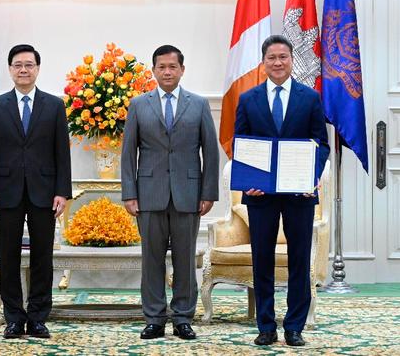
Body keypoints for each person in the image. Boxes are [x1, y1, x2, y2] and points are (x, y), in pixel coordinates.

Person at [234, 34, 329, 347]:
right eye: (272, 58)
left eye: (283, 57)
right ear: (263, 63)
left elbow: (321, 144)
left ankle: (294, 327)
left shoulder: (310, 98)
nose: (277, 62)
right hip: (260, 195)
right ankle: (265, 326)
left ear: (292, 60)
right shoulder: (248, 99)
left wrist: (310, 177)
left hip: (299, 194)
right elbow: (241, 144)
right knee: (262, 259)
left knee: (299, 260)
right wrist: (249, 180)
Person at [121, 45, 219, 340]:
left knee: (185, 260)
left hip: (188, 194)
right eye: (161, 67)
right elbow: (129, 153)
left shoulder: (199, 104)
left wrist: (209, 192)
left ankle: (182, 318)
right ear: (153, 71)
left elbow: (210, 153)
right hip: (149, 194)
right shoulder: (139, 105)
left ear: (182, 70)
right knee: (151, 260)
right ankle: (154, 318)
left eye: (172, 67)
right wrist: (129, 193)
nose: (167, 72)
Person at [0, 44, 72, 339]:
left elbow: (62, 153)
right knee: (8, 256)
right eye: (18, 65)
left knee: (42, 256)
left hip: (44, 192)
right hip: (6, 193)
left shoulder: (54, 105)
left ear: (37, 69)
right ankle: (14, 318)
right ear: (10, 70)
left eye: (28, 65)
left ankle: (38, 317)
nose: (23, 70)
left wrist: (62, 191)